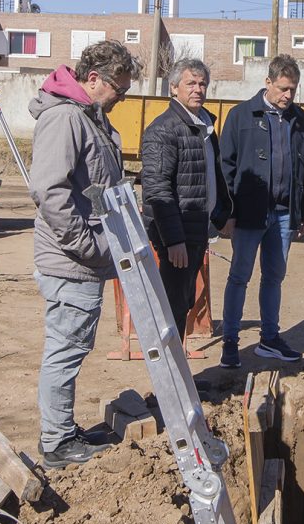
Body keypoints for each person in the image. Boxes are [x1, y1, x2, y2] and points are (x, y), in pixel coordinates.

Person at [28, 40, 142, 469]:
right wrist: (88, 246)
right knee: (66, 348)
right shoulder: (64, 119)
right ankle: (57, 442)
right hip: (71, 261)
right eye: (119, 89)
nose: (121, 98)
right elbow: (50, 191)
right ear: (92, 79)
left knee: (71, 345)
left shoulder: (86, 117)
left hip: (82, 259)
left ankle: (61, 429)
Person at [219, 54, 304, 368]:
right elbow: (226, 168)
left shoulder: (300, 119)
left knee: (274, 277)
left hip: (284, 214)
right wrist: (227, 212)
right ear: (268, 82)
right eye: (283, 88)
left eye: (293, 90)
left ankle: (269, 339)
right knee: (239, 277)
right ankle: (230, 342)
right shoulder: (241, 116)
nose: (288, 96)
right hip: (248, 214)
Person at [141, 58, 233, 345]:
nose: (198, 89)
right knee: (171, 308)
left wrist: (222, 214)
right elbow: (157, 189)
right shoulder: (164, 129)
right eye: (190, 83)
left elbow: (211, 175)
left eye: (202, 83)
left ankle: (179, 382)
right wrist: (173, 240)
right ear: (174, 88)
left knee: (184, 304)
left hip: (196, 231)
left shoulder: (204, 124)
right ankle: (166, 388)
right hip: (177, 236)